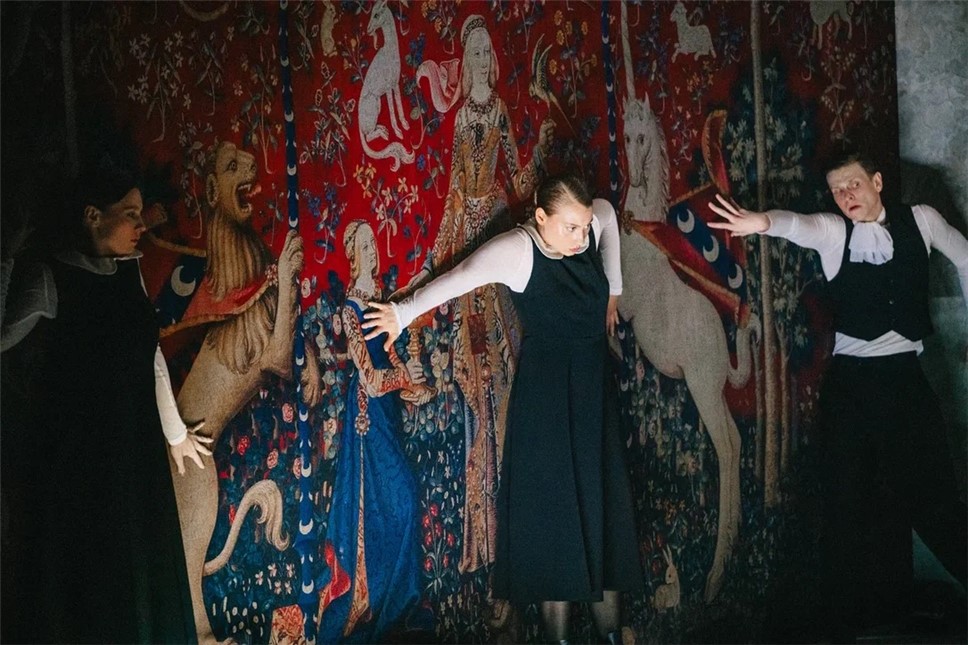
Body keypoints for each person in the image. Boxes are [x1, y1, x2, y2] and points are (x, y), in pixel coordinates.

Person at [363, 173, 642, 644]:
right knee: (557, 523)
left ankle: (611, 636)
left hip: (593, 396)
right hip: (547, 404)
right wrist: (403, 313)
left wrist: (613, 290)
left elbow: (609, 217)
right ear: (541, 217)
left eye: (583, 227)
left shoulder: (590, 225)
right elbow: (460, 277)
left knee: (601, 515)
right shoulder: (519, 251)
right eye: (570, 228)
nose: (581, 238)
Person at [708, 147, 968, 640]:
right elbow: (797, 225)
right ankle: (845, 627)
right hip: (851, 390)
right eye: (837, 190)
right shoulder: (835, 232)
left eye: (853, 184)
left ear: (876, 182)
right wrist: (761, 222)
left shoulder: (923, 221)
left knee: (935, 501)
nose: (846, 196)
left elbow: (966, 256)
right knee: (846, 507)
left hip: (906, 384)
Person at [0, 152, 212, 643]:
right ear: (93, 216)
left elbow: (149, 355)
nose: (141, 225)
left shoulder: (128, 273)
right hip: (82, 461)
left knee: (143, 573)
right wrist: (7, 255)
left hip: (134, 450)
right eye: (130, 213)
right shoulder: (52, 277)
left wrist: (175, 435)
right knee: (95, 584)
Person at [409, 13, 554, 574]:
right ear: (464, 66)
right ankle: (485, 534)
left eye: (483, 54)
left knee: (507, 376)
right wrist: (433, 266)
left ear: (490, 64)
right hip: (471, 261)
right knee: (479, 386)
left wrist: (540, 152)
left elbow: (515, 182)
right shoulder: (463, 120)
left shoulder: (497, 114)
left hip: (495, 246)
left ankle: (518, 515)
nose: (478, 63)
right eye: (470, 54)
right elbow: (453, 195)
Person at [314, 220, 432, 642]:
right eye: (364, 245)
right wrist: (403, 379)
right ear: (353, 255)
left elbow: (395, 366)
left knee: (402, 502)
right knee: (389, 502)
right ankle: (373, 600)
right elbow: (371, 378)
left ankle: (398, 604)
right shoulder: (351, 310)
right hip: (367, 417)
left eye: (373, 244)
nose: (372, 251)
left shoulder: (381, 304)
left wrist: (415, 385)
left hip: (387, 415)